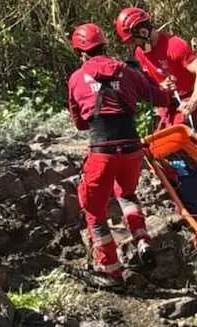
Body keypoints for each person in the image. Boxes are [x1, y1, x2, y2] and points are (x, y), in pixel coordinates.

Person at [67, 23, 171, 285]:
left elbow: (80, 124)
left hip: (102, 151)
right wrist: (159, 84)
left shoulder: (77, 78)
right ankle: (142, 239)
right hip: (132, 150)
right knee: (126, 194)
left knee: (94, 211)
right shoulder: (127, 71)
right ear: (104, 45)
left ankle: (110, 270)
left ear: (81, 52)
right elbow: (160, 99)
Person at [114, 7, 197, 152]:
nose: (133, 44)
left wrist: (192, 102)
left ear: (143, 31)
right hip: (169, 107)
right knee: (164, 150)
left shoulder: (175, 46)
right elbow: (151, 82)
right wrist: (161, 86)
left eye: (134, 40)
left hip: (191, 105)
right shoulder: (139, 53)